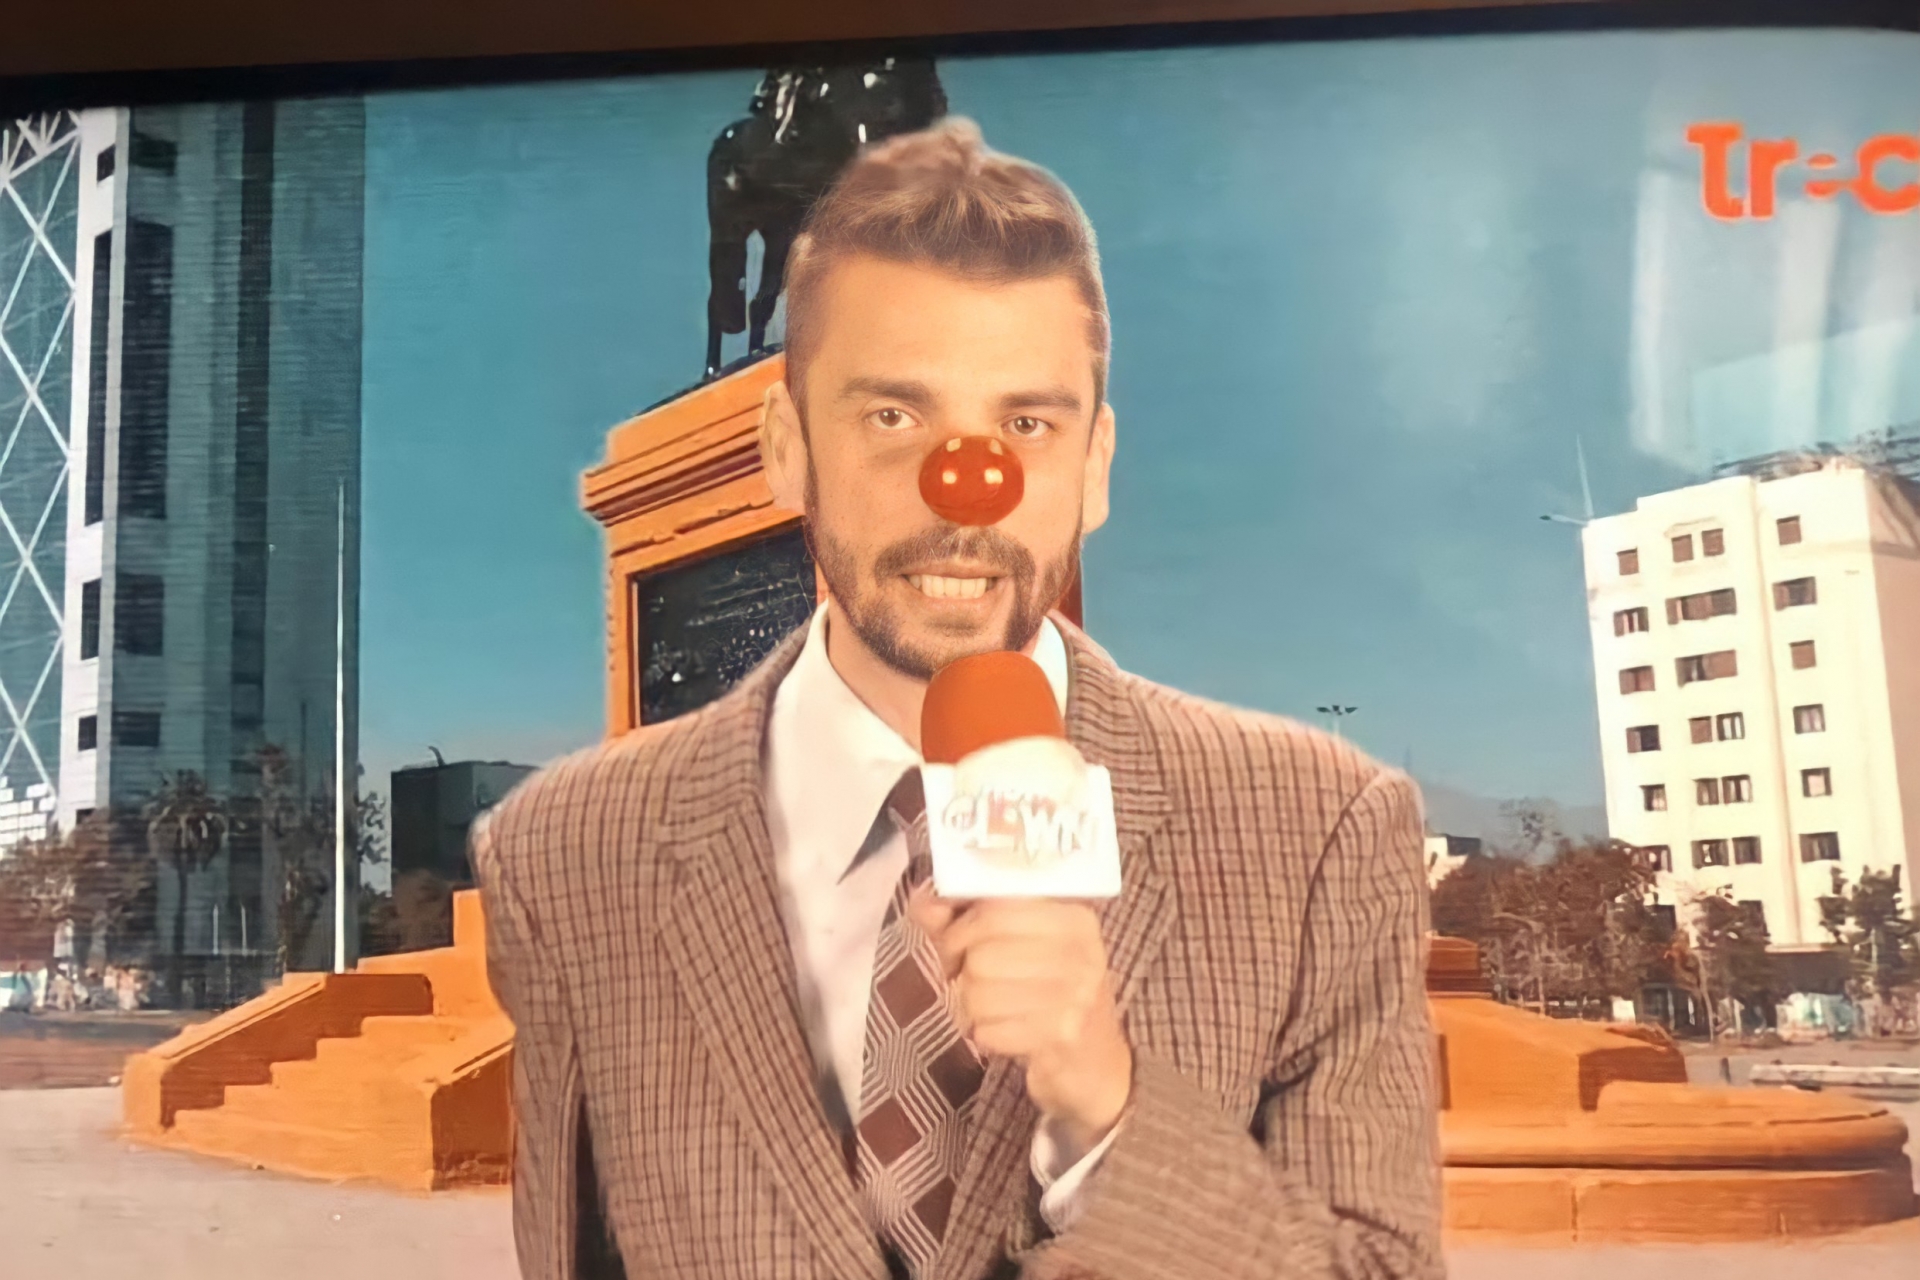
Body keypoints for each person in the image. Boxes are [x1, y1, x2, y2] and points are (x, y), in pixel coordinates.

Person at [475, 117, 1440, 1280]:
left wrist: (1113, 1110)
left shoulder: (1319, 831)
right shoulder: (565, 853)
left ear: (1094, 468)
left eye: (1026, 424)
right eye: (894, 415)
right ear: (786, 446)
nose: (965, 486)